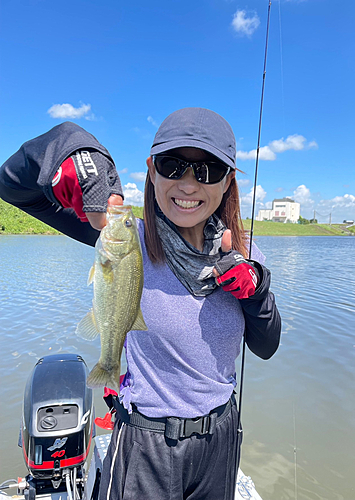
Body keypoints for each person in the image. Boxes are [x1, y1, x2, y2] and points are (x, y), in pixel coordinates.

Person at [0, 107, 281, 500]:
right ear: (152, 171)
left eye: (207, 171)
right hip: (146, 444)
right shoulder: (127, 239)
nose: (188, 185)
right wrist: (71, 148)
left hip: (220, 440)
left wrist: (256, 292)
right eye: (172, 166)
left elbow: (266, 347)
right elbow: (12, 186)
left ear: (228, 181)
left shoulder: (243, 252)